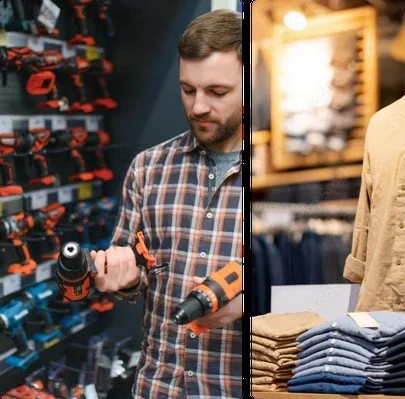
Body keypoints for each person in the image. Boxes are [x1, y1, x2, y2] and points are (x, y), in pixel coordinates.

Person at [87, 10, 244, 398]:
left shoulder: (274, 182)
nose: (198, 107)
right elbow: (135, 276)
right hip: (158, 386)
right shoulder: (148, 168)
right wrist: (120, 276)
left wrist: (247, 305)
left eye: (217, 92)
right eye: (188, 90)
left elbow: (304, 295)